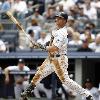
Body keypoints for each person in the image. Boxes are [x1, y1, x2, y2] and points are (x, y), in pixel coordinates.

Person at [21, 12, 93, 100]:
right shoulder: (56, 31)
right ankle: (26, 93)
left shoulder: (62, 33)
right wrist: (39, 44)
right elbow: (50, 44)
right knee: (39, 74)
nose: (57, 20)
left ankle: (86, 94)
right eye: (57, 18)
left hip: (59, 59)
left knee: (66, 81)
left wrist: (41, 46)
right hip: (51, 58)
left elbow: (54, 48)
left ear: (65, 21)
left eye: (60, 18)